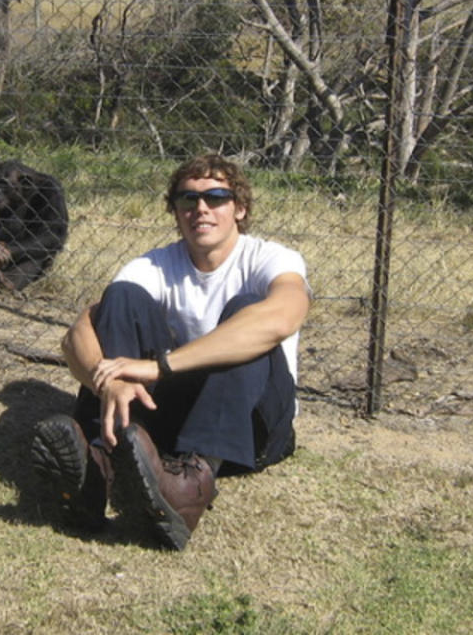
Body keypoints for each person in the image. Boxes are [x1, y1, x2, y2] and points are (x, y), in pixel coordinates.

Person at [31, 154, 311, 550]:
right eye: (187, 199)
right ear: (175, 211)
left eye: (216, 197)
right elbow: (78, 333)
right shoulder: (157, 264)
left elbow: (283, 317)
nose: (201, 208)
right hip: (178, 420)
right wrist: (106, 382)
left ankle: (192, 484)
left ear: (240, 209)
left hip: (255, 425)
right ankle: (100, 463)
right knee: (121, 297)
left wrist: (159, 367)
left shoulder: (271, 258)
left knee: (247, 311)